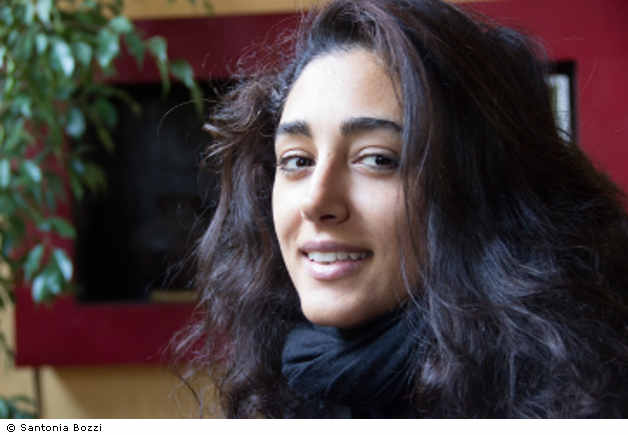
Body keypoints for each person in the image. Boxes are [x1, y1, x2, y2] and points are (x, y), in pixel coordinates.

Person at [174, 0, 628, 418]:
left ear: (481, 188)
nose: (316, 201)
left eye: (377, 159)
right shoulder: (288, 384)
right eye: (297, 161)